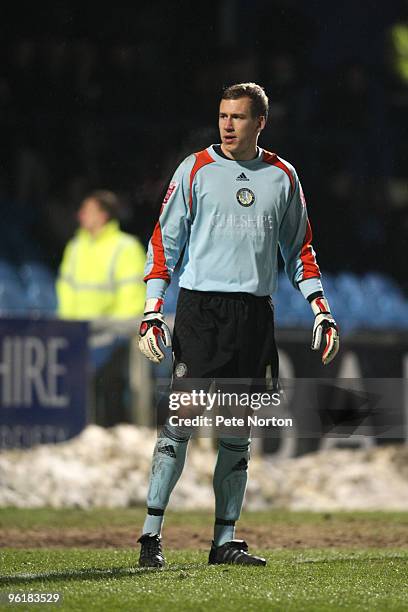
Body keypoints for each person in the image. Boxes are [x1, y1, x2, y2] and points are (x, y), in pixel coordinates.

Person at [137, 82, 339, 567]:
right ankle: (150, 536)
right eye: (223, 115)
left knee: (236, 432)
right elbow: (164, 242)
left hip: (253, 316)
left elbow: (300, 251)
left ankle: (223, 542)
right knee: (179, 426)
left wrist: (321, 309)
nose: (227, 125)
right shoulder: (195, 169)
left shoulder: (283, 176)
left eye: (238, 117)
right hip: (201, 311)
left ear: (260, 122)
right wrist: (151, 311)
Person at [57, 190, 146, 424]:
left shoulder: (126, 247)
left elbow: (131, 299)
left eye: (88, 210)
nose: (80, 215)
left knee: (109, 393)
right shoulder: (75, 247)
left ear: (103, 215)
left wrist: (110, 333)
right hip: (79, 336)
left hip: (113, 338)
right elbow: (66, 292)